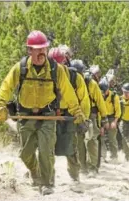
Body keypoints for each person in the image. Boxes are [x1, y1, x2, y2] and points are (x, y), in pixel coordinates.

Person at [0, 31, 86, 195]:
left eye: (44, 48)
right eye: (37, 49)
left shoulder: (55, 69)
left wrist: (77, 111)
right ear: (29, 50)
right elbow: (6, 86)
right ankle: (34, 171)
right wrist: (1, 106)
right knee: (25, 154)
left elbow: (68, 92)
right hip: (25, 116)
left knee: (46, 151)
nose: (42, 52)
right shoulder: (21, 68)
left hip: (48, 116)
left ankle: (47, 184)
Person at [48, 47, 90, 184]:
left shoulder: (75, 77)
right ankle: (48, 178)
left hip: (70, 115)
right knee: (47, 147)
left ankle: (75, 177)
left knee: (71, 148)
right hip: (50, 114)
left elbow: (84, 99)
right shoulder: (44, 76)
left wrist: (83, 118)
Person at [71, 59, 108, 178]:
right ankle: (83, 168)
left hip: (91, 115)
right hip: (76, 115)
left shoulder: (90, 83)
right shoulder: (69, 82)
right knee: (79, 143)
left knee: (92, 141)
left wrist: (104, 118)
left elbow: (100, 101)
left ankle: (93, 167)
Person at [98, 78, 121, 163]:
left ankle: (114, 156)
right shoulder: (99, 96)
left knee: (112, 137)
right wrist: (101, 125)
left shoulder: (114, 96)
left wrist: (115, 122)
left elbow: (118, 111)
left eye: (104, 90)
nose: (103, 93)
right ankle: (102, 156)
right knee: (101, 137)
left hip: (112, 118)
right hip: (102, 117)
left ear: (108, 89)